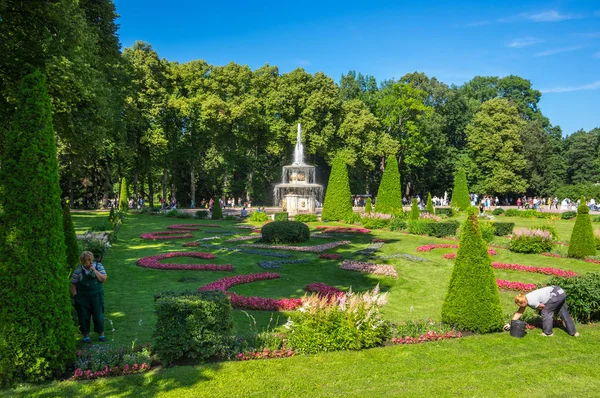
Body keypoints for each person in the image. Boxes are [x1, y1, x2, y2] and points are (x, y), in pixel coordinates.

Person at [504, 286, 579, 337]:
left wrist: (538, 311)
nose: (519, 306)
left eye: (520, 304)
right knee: (563, 313)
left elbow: (542, 306)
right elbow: (519, 313)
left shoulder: (531, 301)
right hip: (560, 292)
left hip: (555, 294)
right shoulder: (525, 298)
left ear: (524, 302)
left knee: (546, 312)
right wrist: (510, 324)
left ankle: (548, 333)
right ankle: (574, 332)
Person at [70, 251, 108, 343]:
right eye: (84, 262)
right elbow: (72, 284)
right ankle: (86, 336)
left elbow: (103, 279)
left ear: (91, 260)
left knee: (98, 316)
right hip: (83, 297)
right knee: (83, 316)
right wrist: (76, 297)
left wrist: (94, 270)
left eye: (87, 262)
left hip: (96, 296)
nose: (85, 265)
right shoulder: (78, 270)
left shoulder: (99, 266)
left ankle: (101, 335)